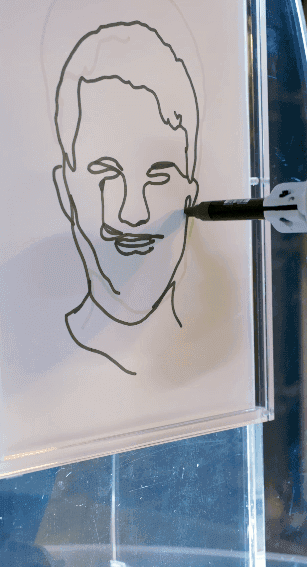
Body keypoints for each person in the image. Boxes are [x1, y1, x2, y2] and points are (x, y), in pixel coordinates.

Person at [50, 20, 201, 375]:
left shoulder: (217, 352)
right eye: (106, 174)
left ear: (191, 194)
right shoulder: (37, 358)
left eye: (159, 177)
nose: (134, 215)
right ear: (65, 189)